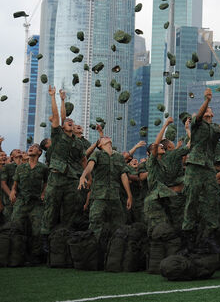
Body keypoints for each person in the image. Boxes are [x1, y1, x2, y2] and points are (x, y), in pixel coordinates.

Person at [181, 87, 220, 253]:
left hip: (208, 168)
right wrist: (207, 100)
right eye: (207, 113)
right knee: (191, 200)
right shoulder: (196, 124)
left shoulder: (215, 129)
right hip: (194, 167)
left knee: (212, 200)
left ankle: (210, 236)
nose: (209, 115)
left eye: (211, 113)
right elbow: (198, 116)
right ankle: (188, 238)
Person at [41, 86, 82, 254]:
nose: (70, 123)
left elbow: (83, 160)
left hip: (71, 180)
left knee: (69, 212)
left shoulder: (78, 143)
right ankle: (45, 241)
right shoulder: (57, 137)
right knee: (51, 210)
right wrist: (56, 98)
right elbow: (59, 116)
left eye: (72, 123)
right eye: (67, 123)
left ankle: (64, 241)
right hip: (56, 179)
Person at [78, 136, 133, 240]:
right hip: (99, 196)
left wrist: (129, 195)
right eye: (103, 138)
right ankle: (94, 247)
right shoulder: (97, 154)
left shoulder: (119, 157)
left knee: (119, 224)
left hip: (115, 197)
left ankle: (115, 247)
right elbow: (90, 165)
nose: (106, 137)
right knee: (96, 222)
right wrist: (83, 176)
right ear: (100, 145)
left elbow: (124, 175)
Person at [9, 143, 47, 264]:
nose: (31, 148)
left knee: (37, 230)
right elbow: (15, 185)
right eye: (30, 147)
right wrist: (13, 192)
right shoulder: (20, 167)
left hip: (36, 203)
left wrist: (43, 193)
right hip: (22, 201)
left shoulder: (43, 168)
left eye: (34, 147)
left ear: (39, 152)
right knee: (16, 228)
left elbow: (46, 183)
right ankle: (17, 256)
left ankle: (35, 257)